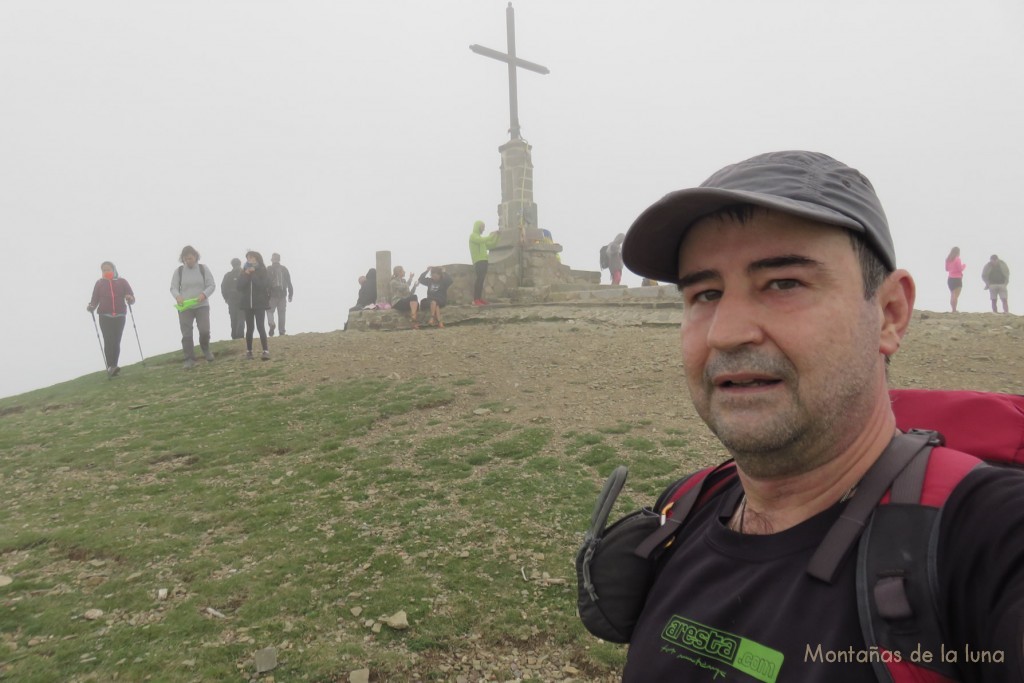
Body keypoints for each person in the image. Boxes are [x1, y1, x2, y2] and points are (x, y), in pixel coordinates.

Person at [615, 151, 1024, 681]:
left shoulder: (989, 539)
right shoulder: (685, 509)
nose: (726, 332)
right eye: (705, 293)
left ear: (890, 314)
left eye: (783, 283)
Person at [169, 245, 216, 370]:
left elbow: (211, 285)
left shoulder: (203, 269)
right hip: (185, 307)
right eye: (185, 259)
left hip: (202, 305)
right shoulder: (179, 271)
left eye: (190, 258)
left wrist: (204, 294)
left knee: (204, 330)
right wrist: (178, 296)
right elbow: (173, 287)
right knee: (186, 333)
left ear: (195, 257)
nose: (188, 261)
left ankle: (206, 350)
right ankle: (189, 358)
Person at [86, 261, 136, 377]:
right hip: (105, 316)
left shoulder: (122, 282)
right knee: (109, 340)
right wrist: (91, 307)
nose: (106, 272)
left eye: (108, 269)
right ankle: (111, 366)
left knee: (116, 341)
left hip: (120, 315)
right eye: (103, 270)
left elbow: (132, 297)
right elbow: (94, 300)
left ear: (113, 269)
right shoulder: (99, 283)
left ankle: (114, 365)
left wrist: (130, 298)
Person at [237, 250, 271, 360]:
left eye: (252, 257)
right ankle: (249, 351)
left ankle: (265, 351)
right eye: (248, 258)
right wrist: (246, 274)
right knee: (249, 328)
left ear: (257, 258)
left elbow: (262, 285)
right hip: (247, 304)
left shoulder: (263, 270)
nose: (249, 260)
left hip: (259, 303)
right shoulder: (243, 271)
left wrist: (253, 274)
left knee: (261, 326)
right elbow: (239, 287)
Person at [468, 220, 499, 305]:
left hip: (484, 260)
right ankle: (475, 299)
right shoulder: (473, 236)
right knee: (479, 279)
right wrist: (492, 235)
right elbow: (481, 240)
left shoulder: (481, 239)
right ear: (478, 227)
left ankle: (479, 298)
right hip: (478, 261)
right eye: (482, 227)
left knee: (481, 280)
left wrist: (497, 236)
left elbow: (492, 245)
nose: (483, 229)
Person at [266, 252, 293, 336]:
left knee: (269, 311)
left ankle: (271, 323)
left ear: (272, 260)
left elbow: (265, 282)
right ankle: (282, 331)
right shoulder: (284, 269)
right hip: (282, 294)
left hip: (271, 294)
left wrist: (265, 294)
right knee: (282, 313)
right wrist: (290, 294)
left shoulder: (268, 269)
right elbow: (289, 282)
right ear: (279, 260)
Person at [220, 258, 245, 339]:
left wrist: (226, 298)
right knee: (241, 319)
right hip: (242, 300)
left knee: (233, 319)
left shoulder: (228, 275)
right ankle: (240, 337)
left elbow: (223, 288)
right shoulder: (244, 274)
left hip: (232, 300)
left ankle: (234, 337)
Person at [945, 246, 965, 312]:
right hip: (957, 279)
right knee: (955, 295)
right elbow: (960, 269)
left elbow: (946, 269)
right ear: (958, 252)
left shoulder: (948, 259)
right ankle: (954, 309)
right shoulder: (957, 259)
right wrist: (964, 266)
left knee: (952, 294)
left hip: (950, 279)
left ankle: (953, 309)